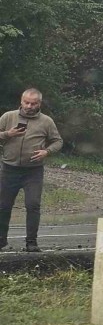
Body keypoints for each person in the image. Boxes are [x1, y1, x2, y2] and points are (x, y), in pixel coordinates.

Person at [0, 88, 63, 252]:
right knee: (3, 206)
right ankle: (1, 240)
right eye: (26, 102)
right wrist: (8, 134)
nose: (29, 106)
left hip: (33, 172)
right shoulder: (8, 117)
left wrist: (46, 152)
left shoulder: (46, 121)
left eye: (33, 103)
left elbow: (58, 141)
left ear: (39, 104)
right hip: (9, 169)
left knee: (33, 205)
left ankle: (31, 243)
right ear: (21, 101)